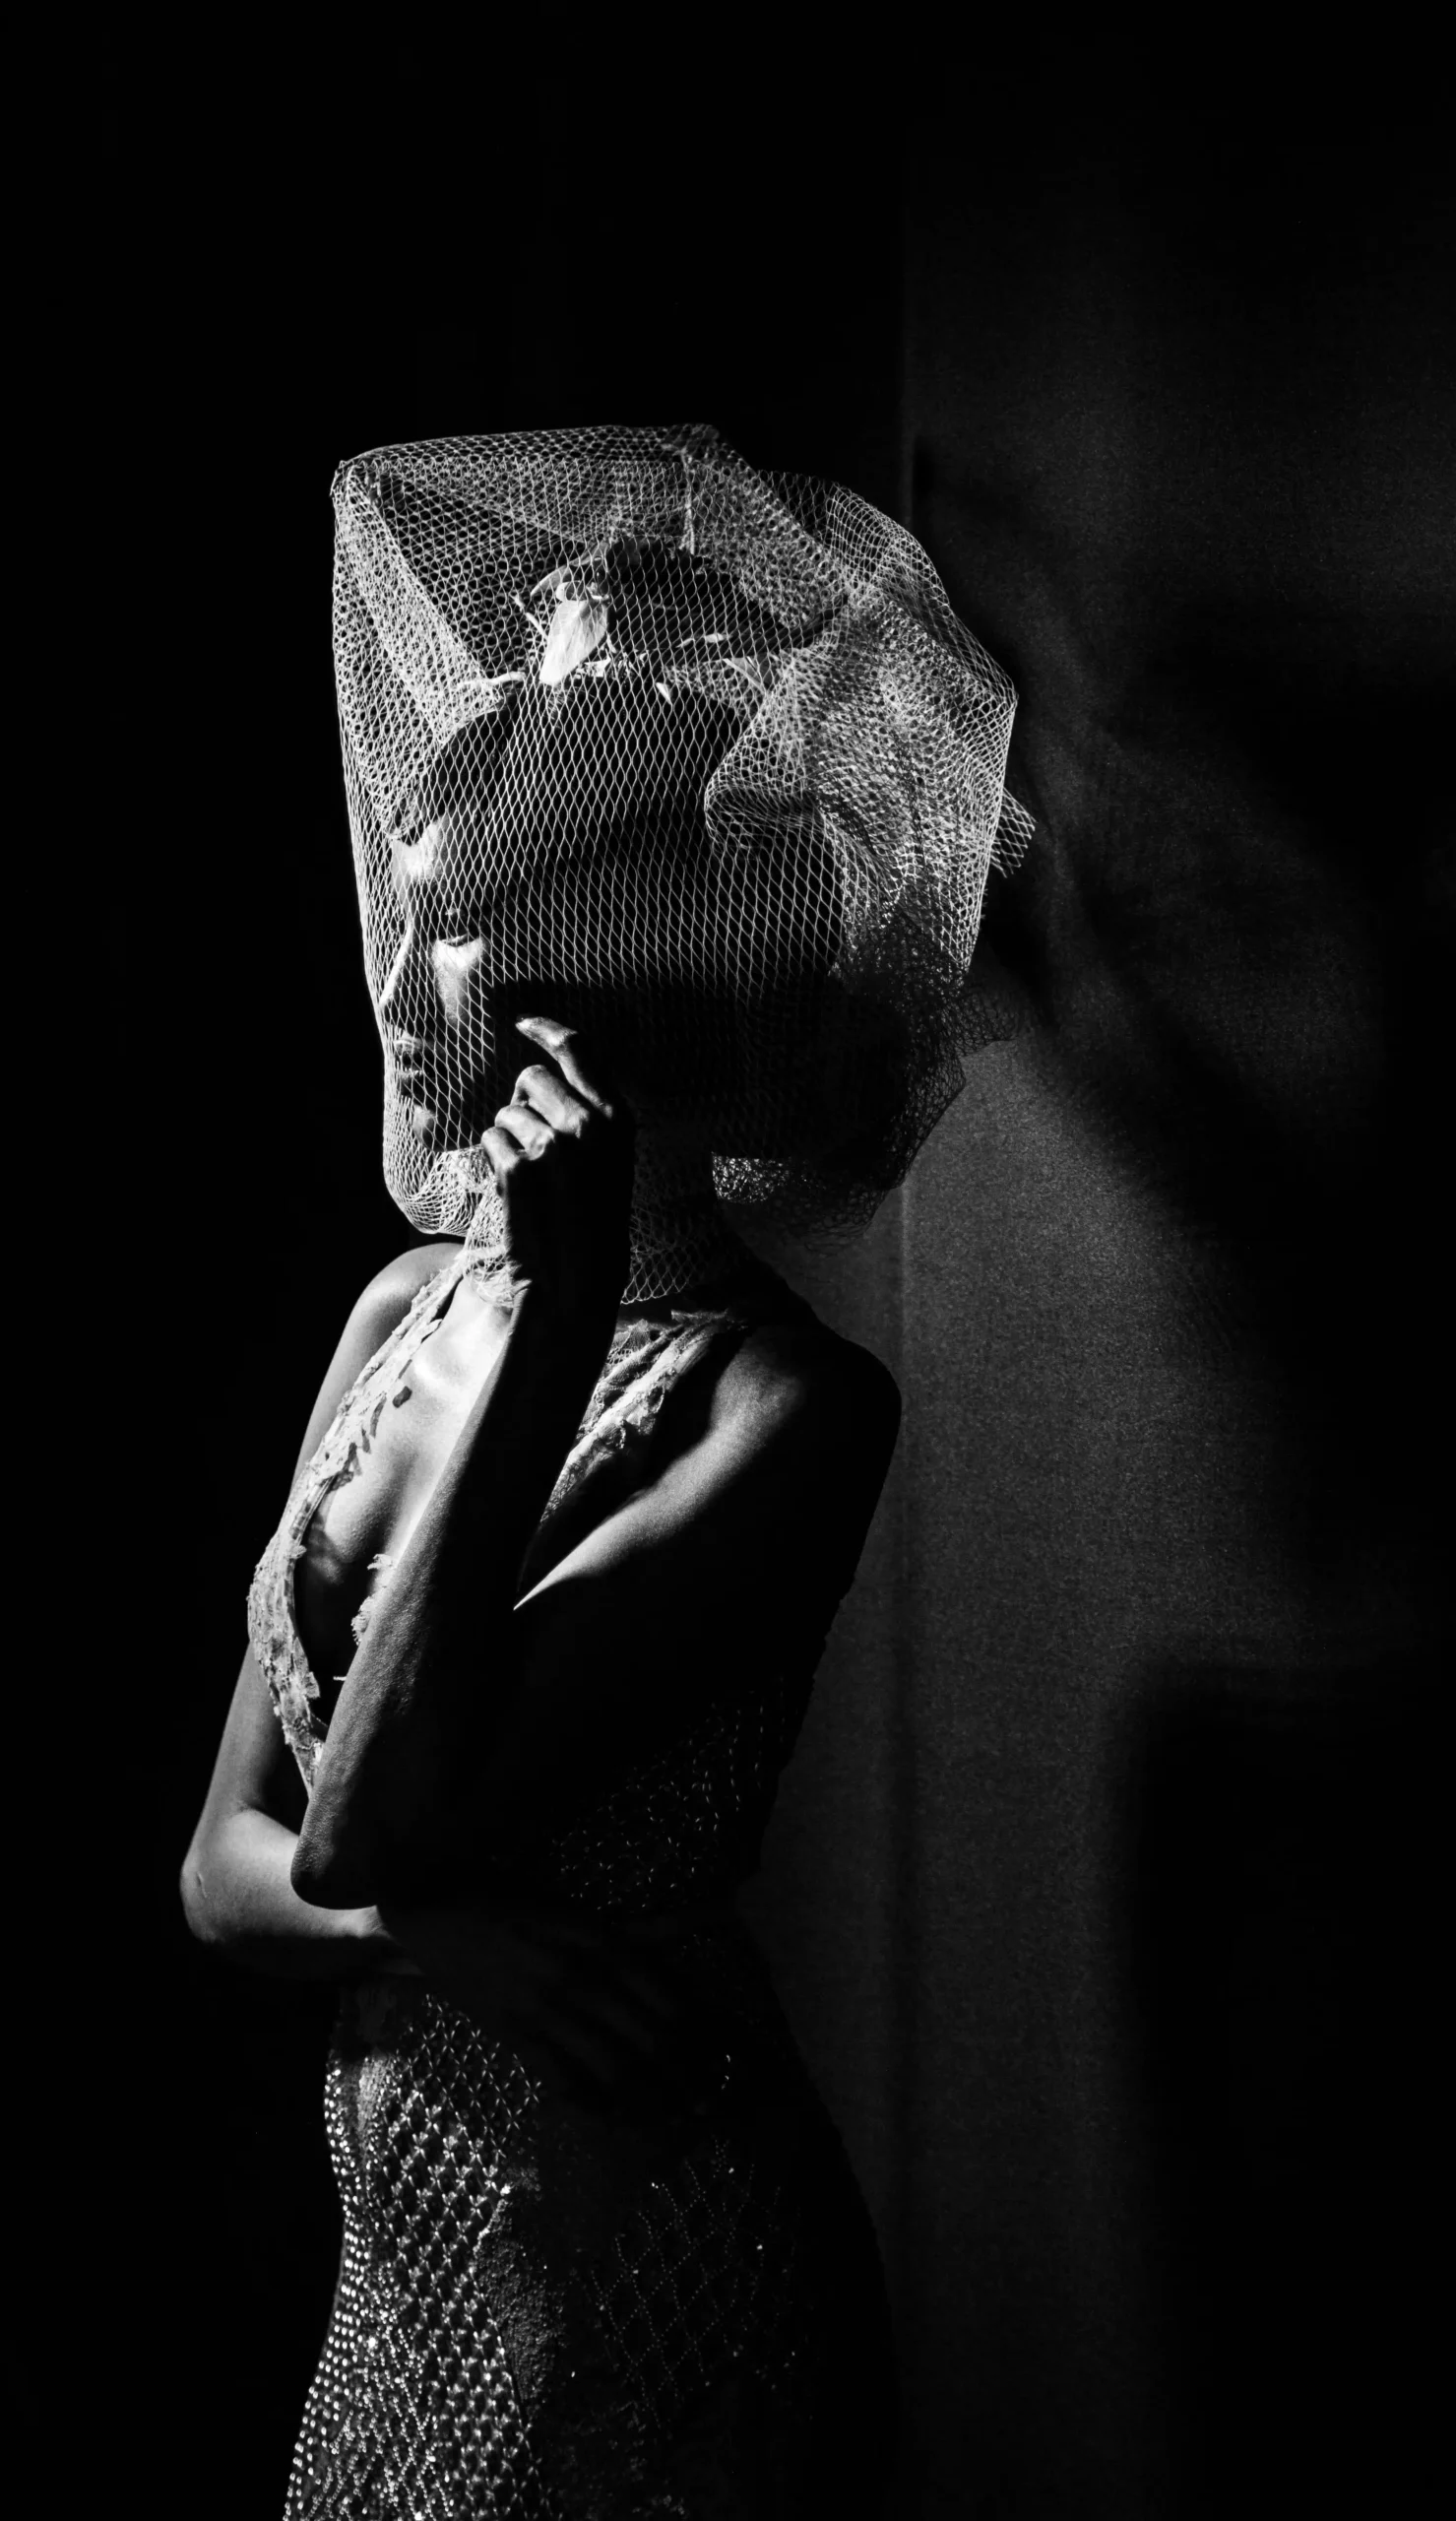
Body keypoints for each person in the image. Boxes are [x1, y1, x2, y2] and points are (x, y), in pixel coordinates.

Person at [181, 423, 1027, 2517]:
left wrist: (560, 1328)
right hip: (399, 2280)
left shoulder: (782, 1408)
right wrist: (451, 1945)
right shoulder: (398, 1313)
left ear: (631, 970)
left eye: (454, 931)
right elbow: (219, 1871)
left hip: (653, 2256)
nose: (396, 986)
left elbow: (356, 1836)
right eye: (404, 918)